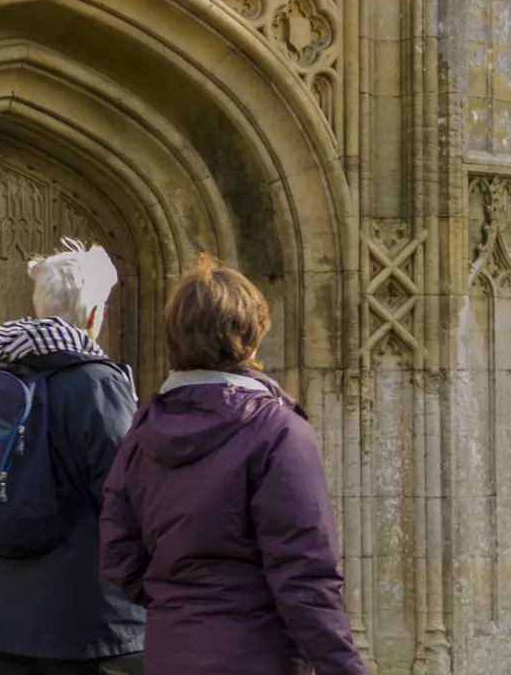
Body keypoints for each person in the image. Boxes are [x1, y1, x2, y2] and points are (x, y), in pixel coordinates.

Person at [99, 255, 367, 675]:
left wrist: (178, 602)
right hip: (254, 655)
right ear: (251, 336)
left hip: (170, 652)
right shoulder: (277, 430)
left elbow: (117, 551)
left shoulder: (142, 430)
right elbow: (304, 579)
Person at [0, 238, 146, 675]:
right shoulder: (97, 383)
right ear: (93, 315)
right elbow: (130, 496)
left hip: (2, 621)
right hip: (88, 628)